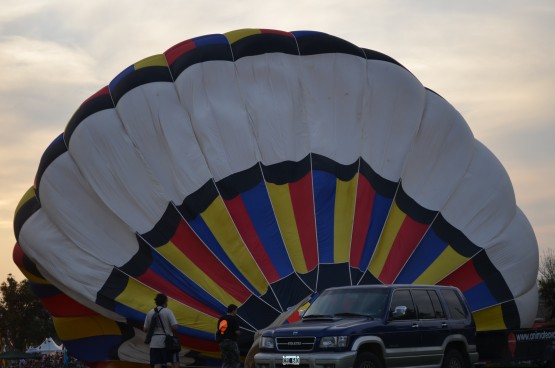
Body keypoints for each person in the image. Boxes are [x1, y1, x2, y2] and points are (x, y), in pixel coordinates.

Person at [144, 293, 180, 368]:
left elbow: (145, 329)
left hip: (154, 343)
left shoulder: (150, 312)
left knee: (157, 364)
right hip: (168, 342)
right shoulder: (168, 311)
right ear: (165, 301)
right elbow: (174, 327)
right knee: (174, 362)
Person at [216, 304, 241, 368]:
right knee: (235, 360)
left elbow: (218, 330)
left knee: (226, 361)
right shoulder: (234, 319)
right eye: (236, 310)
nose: (236, 312)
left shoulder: (221, 319)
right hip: (231, 342)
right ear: (233, 311)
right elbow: (237, 332)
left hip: (222, 342)